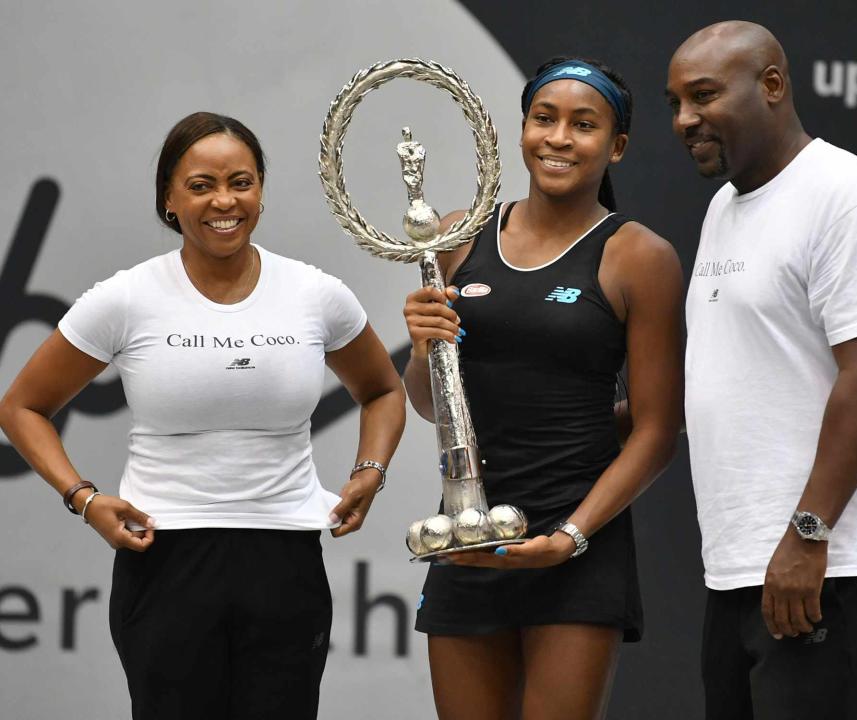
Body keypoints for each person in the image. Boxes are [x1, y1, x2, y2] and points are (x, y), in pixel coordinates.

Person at [0, 112, 406, 720]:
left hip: (285, 559)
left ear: (261, 191)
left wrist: (370, 469)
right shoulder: (126, 298)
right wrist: (83, 498)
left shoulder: (314, 294)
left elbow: (383, 390)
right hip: (164, 560)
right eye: (200, 186)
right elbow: (22, 406)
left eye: (241, 182)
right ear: (168, 197)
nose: (224, 201)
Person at [403, 58, 683, 719]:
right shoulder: (458, 234)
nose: (559, 138)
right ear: (523, 128)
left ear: (615, 146)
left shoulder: (638, 255)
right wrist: (422, 352)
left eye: (584, 125)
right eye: (545, 118)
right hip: (470, 539)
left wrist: (572, 535)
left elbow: (656, 431)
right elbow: (429, 402)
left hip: (575, 546)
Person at [665, 21, 857, 720]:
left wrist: (807, 536)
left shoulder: (849, 196)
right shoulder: (725, 207)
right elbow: (743, 381)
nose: (685, 119)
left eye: (703, 96)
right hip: (742, 568)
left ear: (773, 86)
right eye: (675, 104)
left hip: (834, 568)